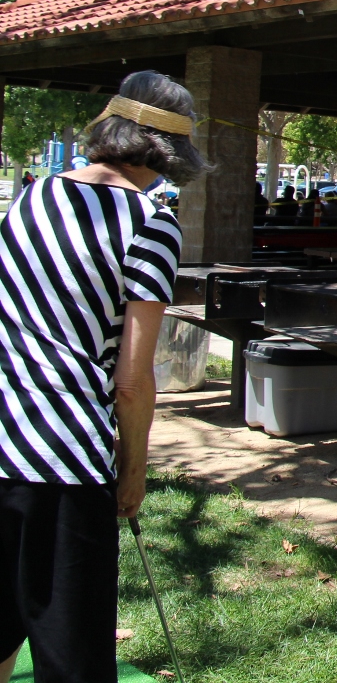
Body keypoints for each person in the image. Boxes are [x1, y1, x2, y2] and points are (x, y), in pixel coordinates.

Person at [0, 71, 205, 681]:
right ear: (166, 152)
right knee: (71, 648)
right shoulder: (149, 221)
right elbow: (133, 378)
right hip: (66, 458)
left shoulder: (28, 198)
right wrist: (134, 470)